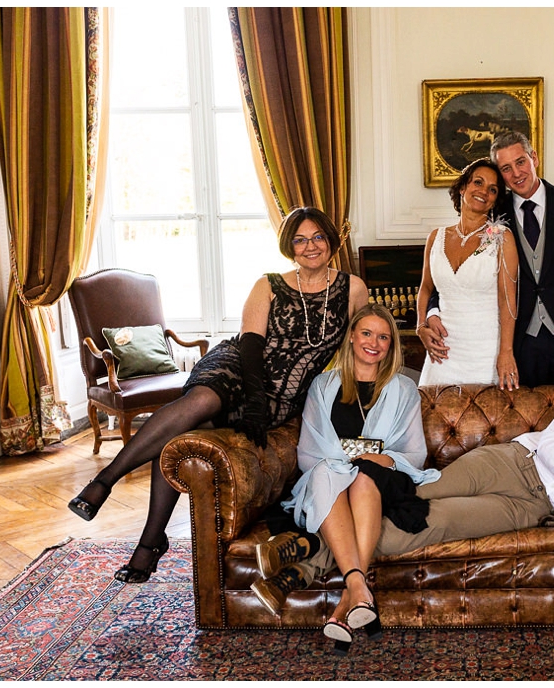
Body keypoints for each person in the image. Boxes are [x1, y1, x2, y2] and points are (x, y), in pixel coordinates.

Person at [250, 349, 554, 617]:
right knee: (406, 494)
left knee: (416, 526)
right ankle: (303, 554)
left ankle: (303, 555)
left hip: (530, 508)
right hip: (511, 460)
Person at [67, 207, 369, 582]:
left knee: (181, 439)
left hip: (283, 394)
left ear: (331, 240)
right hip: (237, 368)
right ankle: (105, 482)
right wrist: (255, 401)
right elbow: (251, 347)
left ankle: (149, 542)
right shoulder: (268, 284)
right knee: (203, 401)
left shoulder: (353, 288)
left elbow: (360, 345)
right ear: (289, 246)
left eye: (318, 237)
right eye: (300, 239)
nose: (310, 246)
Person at [268, 304, 440, 655]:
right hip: (330, 473)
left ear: (391, 346)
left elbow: (413, 451)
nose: (373, 343)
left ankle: (348, 598)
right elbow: (310, 449)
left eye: (383, 337)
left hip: (381, 479)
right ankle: (360, 594)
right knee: (327, 473)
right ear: (351, 336)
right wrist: (343, 463)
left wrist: (384, 458)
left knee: (364, 476)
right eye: (366, 333)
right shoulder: (323, 385)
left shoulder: (404, 388)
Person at [418, 131, 554, 388]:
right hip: (521, 342)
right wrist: (430, 313)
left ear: (534, 158)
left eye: (520, 162)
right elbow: (454, 276)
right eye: (506, 168)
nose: (516, 173)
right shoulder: (494, 211)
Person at [415, 158, 520, 388]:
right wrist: (421, 325)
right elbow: (425, 288)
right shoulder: (436, 236)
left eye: (492, 190)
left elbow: (508, 301)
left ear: (495, 200)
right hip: (442, 351)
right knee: (431, 419)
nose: (484, 191)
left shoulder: (503, 238)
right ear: (463, 187)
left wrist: (506, 352)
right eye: (478, 182)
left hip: (485, 351)